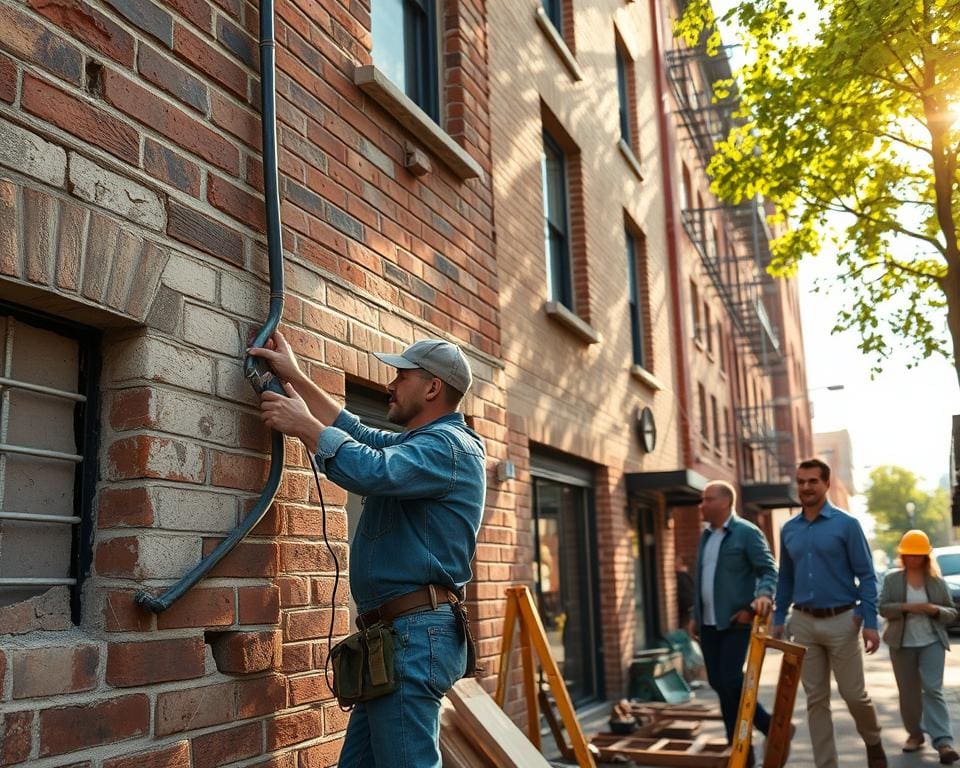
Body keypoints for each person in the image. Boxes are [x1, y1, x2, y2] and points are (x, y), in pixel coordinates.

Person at [248, 333, 486, 768]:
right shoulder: (426, 443)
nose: (390, 385)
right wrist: (295, 376)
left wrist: (304, 424)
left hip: (413, 638)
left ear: (433, 388)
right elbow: (357, 433)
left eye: (402, 375)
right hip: (397, 637)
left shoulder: (449, 448)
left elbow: (375, 470)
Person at [772, 458, 887, 768]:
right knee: (815, 700)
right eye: (801, 481)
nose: (805, 487)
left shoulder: (846, 524)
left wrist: (868, 621)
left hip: (842, 621)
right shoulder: (789, 530)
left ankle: (873, 740)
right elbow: (785, 578)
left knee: (854, 695)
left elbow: (867, 576)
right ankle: (826, 764)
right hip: (804, 622)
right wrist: (779, 617)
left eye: (812, 481)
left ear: (826, 483)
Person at [693, 480, 778, 766]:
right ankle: (740, 750)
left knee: (731, 678)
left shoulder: (746, 533)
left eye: (707, 499)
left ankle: (771, 727)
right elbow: (705, 581)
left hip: (736, 621)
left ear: (725, 503)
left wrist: (760, 598)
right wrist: (696, 616)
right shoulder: (706, 536)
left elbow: (768, 568)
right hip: (708, 623)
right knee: (719, 683)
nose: (701, 504)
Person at [879, 529, 959, 764]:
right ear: (902, 556)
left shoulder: (936, 581)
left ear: (926, 556)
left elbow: (951, 612)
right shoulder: (892, 579)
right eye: (909, 554)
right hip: (901, 643)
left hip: (931, 641)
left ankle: (943, 742)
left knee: (933, 689)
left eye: (918, 554)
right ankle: (914, 734)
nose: (913, 558)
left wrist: (933, 610)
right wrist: (905, 607)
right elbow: (883, 608)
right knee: (909, 693)